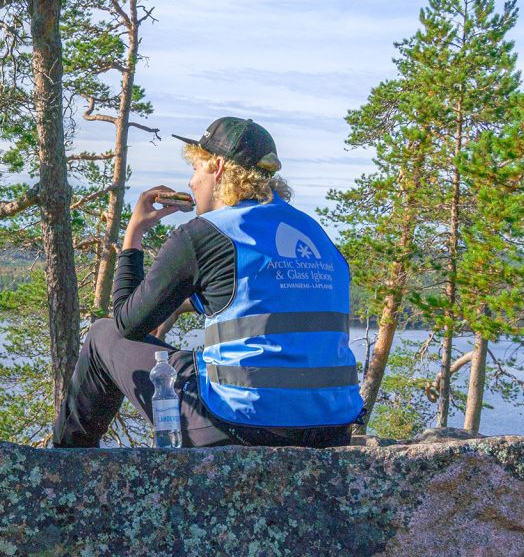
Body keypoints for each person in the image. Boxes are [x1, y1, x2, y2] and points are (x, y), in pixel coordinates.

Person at [54, 116, 363, 448]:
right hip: (333, 428)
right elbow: (256, 297)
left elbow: (126, 322)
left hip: (241, 425)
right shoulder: (315, 233)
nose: (190, 182)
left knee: (104, 334)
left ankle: (64, 467)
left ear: (217, 168)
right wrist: (177, 307)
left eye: (195, 170)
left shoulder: (203, 234)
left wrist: (134, 234)